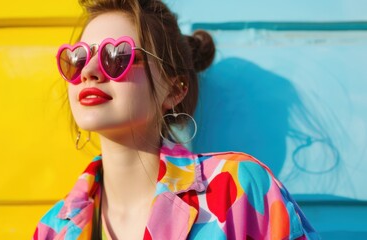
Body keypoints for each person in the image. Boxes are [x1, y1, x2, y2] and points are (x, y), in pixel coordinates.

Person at [33, 0, 319, 239]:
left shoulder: (236, 187)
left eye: (117, 55)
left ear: (173, 90)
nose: (89, 71)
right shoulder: (54, 229)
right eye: (78, 58)